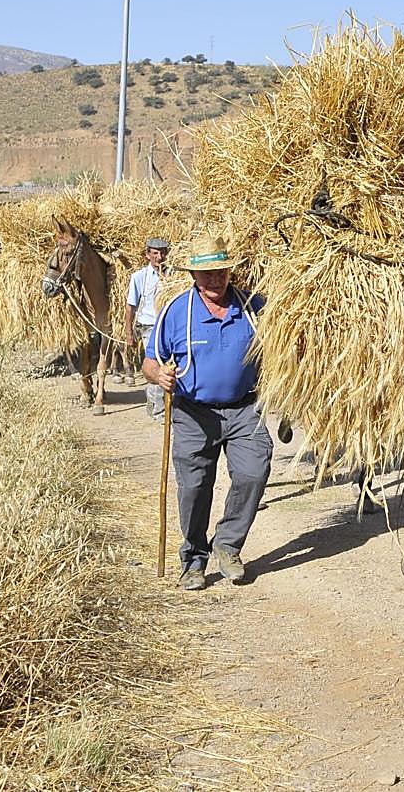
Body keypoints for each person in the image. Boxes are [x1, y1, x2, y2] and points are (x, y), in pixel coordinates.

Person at [142, 234, 272, 592]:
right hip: (192, 413)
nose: (214, 280)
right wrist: (159, 375)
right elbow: (149, 362)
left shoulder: (252, 307)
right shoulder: (175, 312)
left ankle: (228, 546)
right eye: (206, 274)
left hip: (245, 409)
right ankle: (194, 559)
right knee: (195, 488)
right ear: (193, 276)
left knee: (253, 472)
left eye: (220, 272)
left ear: (229, 271)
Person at [125, 236, 171, 422]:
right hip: (150, 327)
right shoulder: (139, 277)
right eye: (154, 253)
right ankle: (158, 409)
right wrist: (129, 332)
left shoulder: (174, 275)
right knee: (155, 364)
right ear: (147, 255)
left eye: (162, 253)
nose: (158, 257)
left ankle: (167, 405)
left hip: (169, 325)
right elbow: (131, 306)